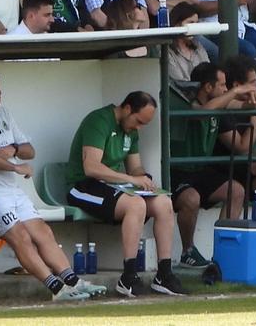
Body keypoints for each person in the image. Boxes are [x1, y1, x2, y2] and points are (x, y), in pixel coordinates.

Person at [0, 67, 104, 300]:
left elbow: (29, 150)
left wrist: (13, 149)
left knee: (43, 232)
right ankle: (57, 289)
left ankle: (74, 282)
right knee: (19, 236)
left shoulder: (4, 115)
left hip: (11, 190)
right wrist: (15, 166)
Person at [64, 92, 188, 296]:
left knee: (164, 202)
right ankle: (128, 277)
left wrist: (145, 180)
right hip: (83, 186)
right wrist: (131, 180)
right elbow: (91, 168)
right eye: (138, 121)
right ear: (127, 108)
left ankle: (164, 275)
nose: (138, 128)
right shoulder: (99, 120)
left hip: (115, 186)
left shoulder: (131, 130)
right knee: (136, 204)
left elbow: (135, 167)